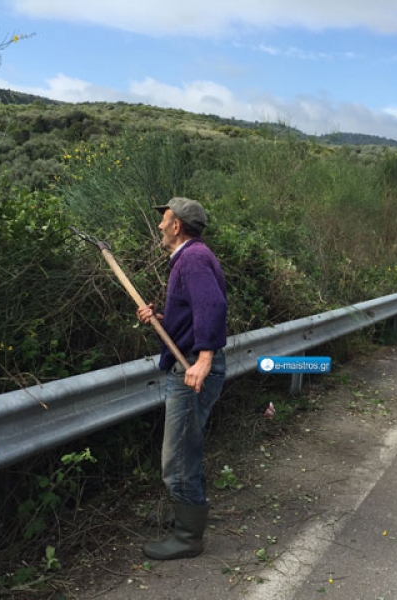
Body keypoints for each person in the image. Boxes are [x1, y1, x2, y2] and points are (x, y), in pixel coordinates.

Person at [135, 197, 228, 561]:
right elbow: (194, 310)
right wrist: (157, 316)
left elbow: (212, 307)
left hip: (191, 369)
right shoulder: (192, 258)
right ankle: (182, 518)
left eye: (165, 220)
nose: (159, 226)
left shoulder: (191, 259)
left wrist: (203, 359)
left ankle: (188, 537)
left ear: (177, 226)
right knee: (183, 452)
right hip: (186, 363)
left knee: (178, 459)